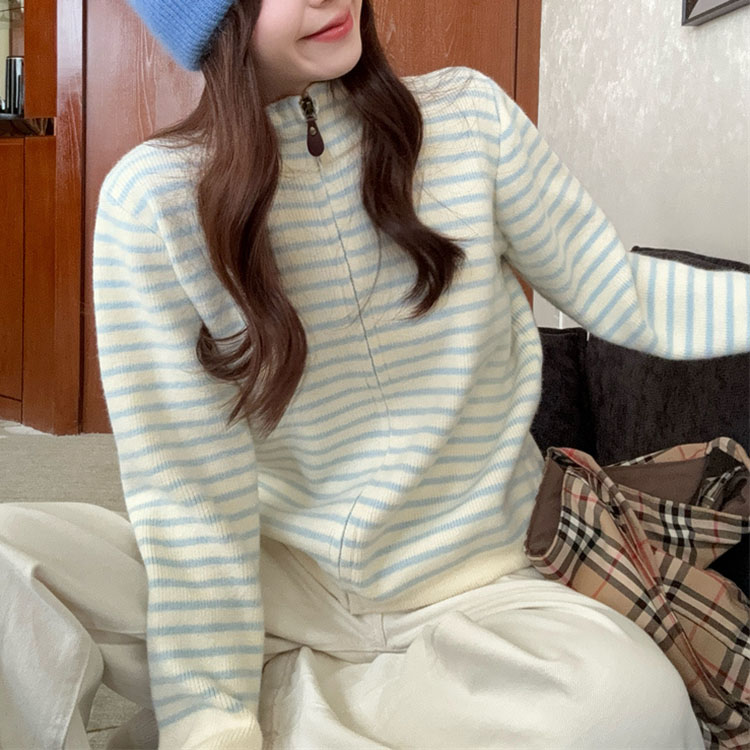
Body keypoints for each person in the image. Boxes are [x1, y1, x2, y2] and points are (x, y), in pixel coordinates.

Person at [1, 0, 748, 748]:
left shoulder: (470, 120)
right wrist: (212, 718)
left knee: (631, 709)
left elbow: (623, 291)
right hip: (273, 590)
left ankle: (301, 708)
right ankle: (290, 705)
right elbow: (190, 498)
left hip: (483, 592)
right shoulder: (155, 202)